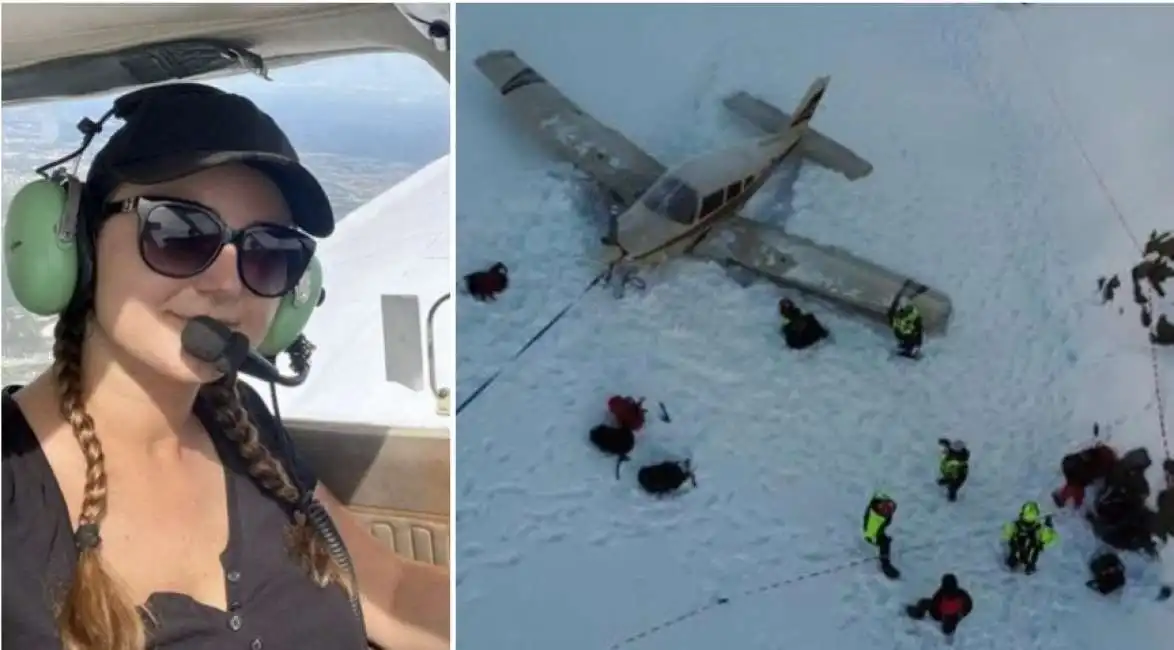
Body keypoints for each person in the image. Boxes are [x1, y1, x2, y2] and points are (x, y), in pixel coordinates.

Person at [2, 84, 449, 650]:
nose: (228, 283)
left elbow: (396, 589)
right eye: (179, 232)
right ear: (79, 245)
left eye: (269, 251)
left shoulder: (244, 426)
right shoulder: (11, 484)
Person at [1053, 435, 1117, 509]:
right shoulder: (1102, 459)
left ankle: (1069, 498)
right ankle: (1069, 498)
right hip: (1078, 468)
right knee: (1075, 485)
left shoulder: (1104, 460)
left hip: (1077, 466)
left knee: (1075, 485)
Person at [905, 573, 973, 638]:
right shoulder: (961, 594)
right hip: (944, 614)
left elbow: (935, 601)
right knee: (924, 603)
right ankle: (918, 613)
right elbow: (968, 605)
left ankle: (918, 613)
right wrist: (962, 614)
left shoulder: (949, 593)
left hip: (948, 615)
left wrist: (961, 615)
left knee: (924, 603)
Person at [1002, 501, 1058, 574]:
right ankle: (1026, 566)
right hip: (1026, 557)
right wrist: (1048, 526)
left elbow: (1005, 536)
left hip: (1020, 555)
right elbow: (1050, 539)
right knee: (1034, 545)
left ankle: (1016, 564)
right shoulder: (1039, 528)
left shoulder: (1015, 525)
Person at [862, 491, 900, 578]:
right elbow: (870, 535)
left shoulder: (878, 504)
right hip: (871, 535)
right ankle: (885, 565)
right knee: (884, 543)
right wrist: (882, 541)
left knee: (883, 537)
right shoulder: (874, 523)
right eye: (886, 509)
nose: (888, 510)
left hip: (877, 527)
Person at [887, 290, 923, 359]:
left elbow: (918, 326)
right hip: (905, 328)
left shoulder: (909, 339)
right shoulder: (915, 340)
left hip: (903, 328)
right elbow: (919, 327)